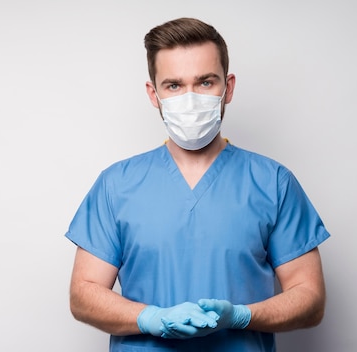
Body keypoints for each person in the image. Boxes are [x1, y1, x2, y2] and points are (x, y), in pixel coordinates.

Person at [65, 17, 330, 352]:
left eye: (205, 83)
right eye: (174, 86)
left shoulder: (273, 183)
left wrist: (240, 316)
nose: (189, 99)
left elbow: (310, 297)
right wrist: (152, 318)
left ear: (228, 87)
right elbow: (84, 295)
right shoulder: (116, 185)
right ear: (153, 93)